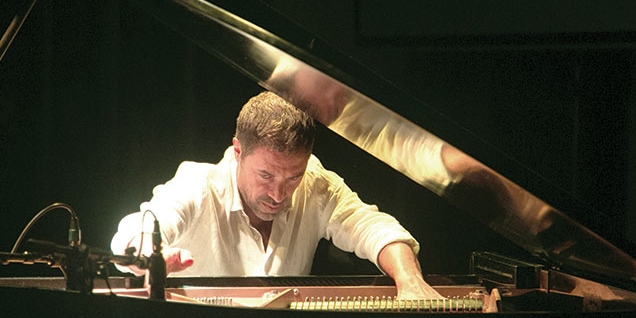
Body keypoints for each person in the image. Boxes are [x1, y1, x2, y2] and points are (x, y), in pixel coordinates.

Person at [111, 90, 441, 301]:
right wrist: (149, 254)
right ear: (238, 151)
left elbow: (372, 227)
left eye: (293, 176)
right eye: (266, 175)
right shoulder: (198, 183)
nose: (278, 194)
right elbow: (138, 228)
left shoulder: (316, 183)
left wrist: (410, 280)